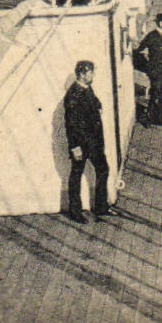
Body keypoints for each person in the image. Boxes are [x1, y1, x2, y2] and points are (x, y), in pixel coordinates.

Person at [62, 60, 109, 223]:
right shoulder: (72, 95)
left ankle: (101, 207)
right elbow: (71, 124)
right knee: (76, 175)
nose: (93, 75)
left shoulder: (86, 88)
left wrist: (99, 105)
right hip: (81, 145)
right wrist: (74, 147)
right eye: (91, 72)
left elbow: (94, 101)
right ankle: (75, 212)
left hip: (94, 143)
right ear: (82, 74)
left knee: (103, 169)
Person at [134, 13, 162, 126]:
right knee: (155, 93)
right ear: (161, 23)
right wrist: (147, 64)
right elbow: (140, 49)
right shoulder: (152, 36)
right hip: (156, 71)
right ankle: (151, 117)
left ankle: (159, 118)